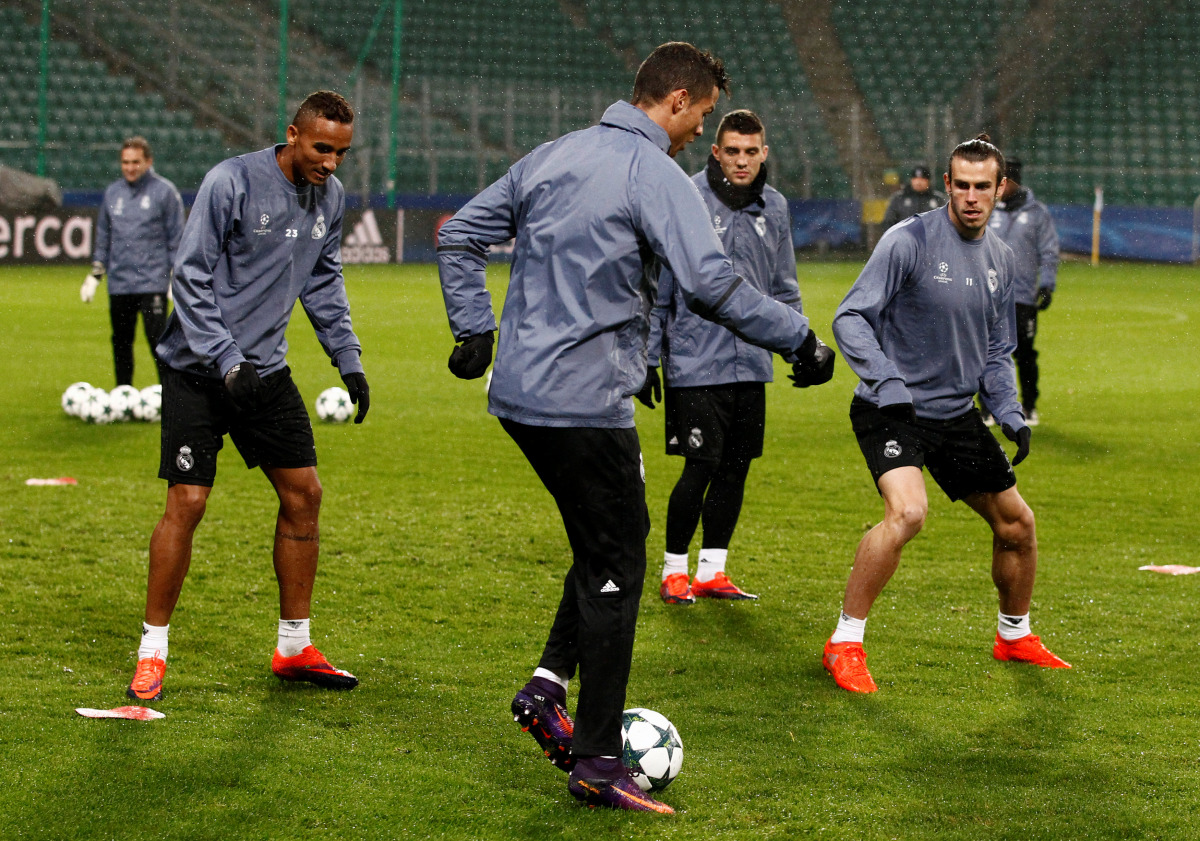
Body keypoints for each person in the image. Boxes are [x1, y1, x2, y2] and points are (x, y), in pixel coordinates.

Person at [436, 43, 833, 813]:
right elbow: (712, 282)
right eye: (704, 116)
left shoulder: (551, 154)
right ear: (679, 101)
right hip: (583, 402)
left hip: (519, 394)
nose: (699, 133)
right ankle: (596, 759)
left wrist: (473, 327)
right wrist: (800, 339)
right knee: (619, 560)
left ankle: (547, 684)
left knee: (606, 534)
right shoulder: (651, 171)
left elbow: (458, 235)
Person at [124, 91, 370, 704]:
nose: (331, 163)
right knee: (189, 499)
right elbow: (191, 275)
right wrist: (226, 359)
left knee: (304, 495)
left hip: (263, 372)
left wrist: (349, 359)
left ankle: (293, 647)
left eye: (341, 152)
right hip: (197, 370)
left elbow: (322, 279)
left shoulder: (330, 198)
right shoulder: (230, 182)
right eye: (321, 148)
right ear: (292, 134)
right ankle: (152, 651)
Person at [823, 134, 1069, 695]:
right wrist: (885, 381)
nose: (972, 196)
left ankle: (1013, 634)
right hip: (892, 409)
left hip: (956, 415)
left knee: (1017, 525)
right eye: (961, 185)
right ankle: (844, 642)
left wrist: (1006, 409)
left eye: (984, 186)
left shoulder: (1002, 259)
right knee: (908, 513)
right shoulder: (907, 241)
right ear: (947, 184)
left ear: (1000, 188)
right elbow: (850, 318)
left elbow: (994, 349)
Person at [644, 108, 834, 606]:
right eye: (732, 151)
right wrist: (648, 357)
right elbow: (660, 285)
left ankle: (713, 569)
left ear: (764, 153)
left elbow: (784, 288)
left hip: (751, 363)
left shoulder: (774, 208)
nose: (742, 161)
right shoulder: (684, 196)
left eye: (751, 152)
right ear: (716, 152)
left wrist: (800, 349)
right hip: (694, 362)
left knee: (736, 466)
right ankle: (673, 569)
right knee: (699, 465)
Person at [81, 137, 184, 386]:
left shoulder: (165, 192)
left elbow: (176, 238)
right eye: (125, 162)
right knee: (121, 342)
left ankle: (170, 398)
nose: (130, 167)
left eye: (136, 162)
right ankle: (122, 394)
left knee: (159, 344)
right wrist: (95, 275)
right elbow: (104, 235)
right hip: (120, 283)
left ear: (148, 161)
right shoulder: (113, 192)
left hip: (153, 283)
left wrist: (175, 277)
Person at [987, 157, 1059, 425]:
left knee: (1025, 354)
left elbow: (1049, 251)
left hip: (1022, 296)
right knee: (986, 353)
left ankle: (1028, 406)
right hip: (989, 296)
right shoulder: (987, 208)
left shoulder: (1037, 212)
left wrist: (1047, 284)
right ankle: (987, 408)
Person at [880, 164, 946, 232]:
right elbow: (888, 222)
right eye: (915, 179)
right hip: (904, 240)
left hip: (931, 240)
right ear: (911, 180)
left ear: (928, 181)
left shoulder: (938, 199)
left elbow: (945, 223)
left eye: (922, 179)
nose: (918, 182)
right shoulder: (899, 198)